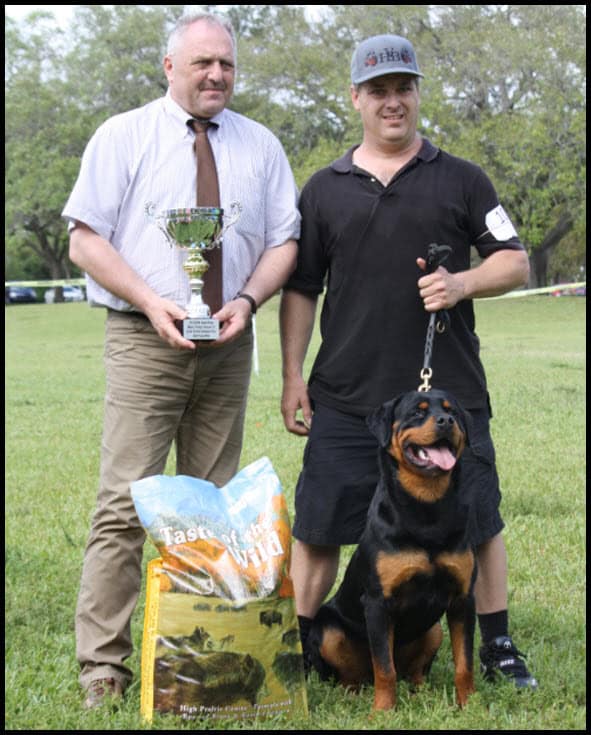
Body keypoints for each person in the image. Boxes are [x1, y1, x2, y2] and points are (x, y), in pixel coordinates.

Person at [280, 33, 537, 689]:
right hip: (343, 393)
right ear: (356, 98)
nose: (391, 102)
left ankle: (498, 646)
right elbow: (302, 288)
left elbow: (514, 261)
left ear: (417, 93)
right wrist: (291, 375)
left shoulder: (462, 178)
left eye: (403, 88)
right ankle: (301, 648)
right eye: (377, 90)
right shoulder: (324, 189)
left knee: (476, 522)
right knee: (318, 527)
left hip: (448, 394)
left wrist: (461, 284)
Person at [63, 12, 300, 709]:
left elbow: (283, 241)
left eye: (225, 63)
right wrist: (154, 300)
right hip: (144, 339)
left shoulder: (260, 146)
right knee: (122, 505)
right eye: (201, 63)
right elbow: (85, 239)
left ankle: (197, 649)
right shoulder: (124, 135)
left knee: (210, 505)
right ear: (169, 67)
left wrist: (249, 300)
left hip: (227, 346)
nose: (216, 75)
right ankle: (101, 663)